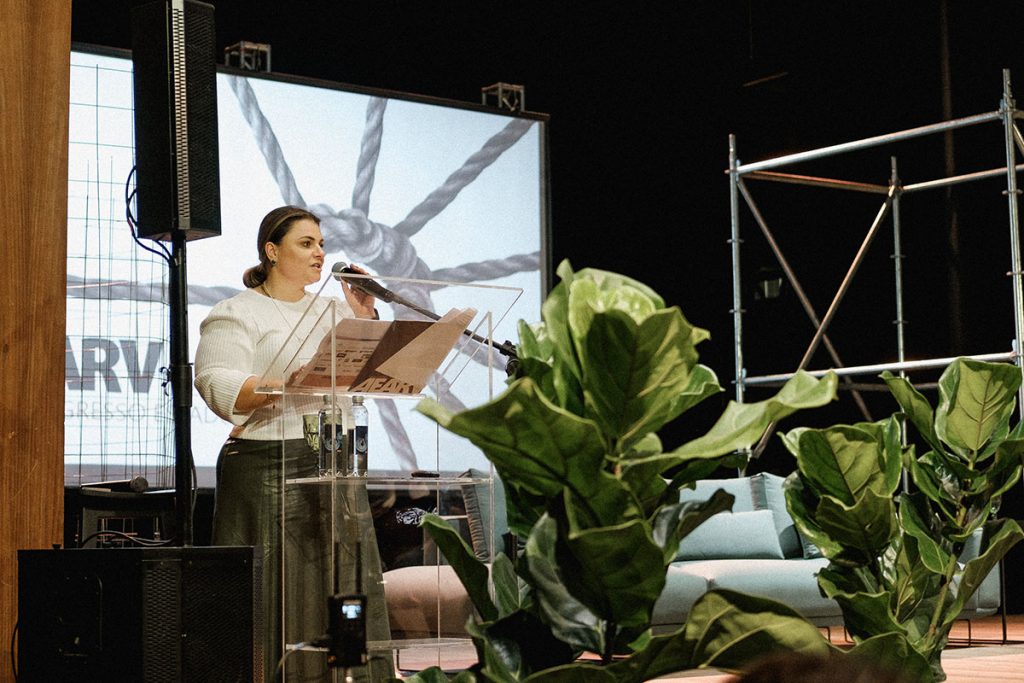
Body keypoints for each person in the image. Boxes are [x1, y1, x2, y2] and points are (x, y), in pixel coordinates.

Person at [194, 205, 390, 682]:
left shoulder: (335, 312)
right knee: (276, 594)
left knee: (341, 586)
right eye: (306, 243)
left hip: (334, 463)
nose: (319, 253)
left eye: (321, 244)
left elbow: (370, 378)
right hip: (268, 466)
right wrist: (288, 384)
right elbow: (217, 384)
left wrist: (365, 315)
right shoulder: (236, 311)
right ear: (272, 251)